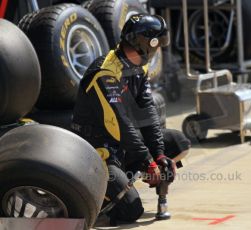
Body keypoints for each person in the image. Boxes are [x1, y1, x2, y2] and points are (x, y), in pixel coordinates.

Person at [71, 13, 190, 225]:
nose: (159, 50)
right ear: (147, 44)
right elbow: (120, 125)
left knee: (178, 142)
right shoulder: (105, 73)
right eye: (158, 45)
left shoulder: (139, 67)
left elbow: (147, 113)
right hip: (96, 153)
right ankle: (107, 192)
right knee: (130, 209)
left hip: (123, 147)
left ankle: (127, 178)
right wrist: (148, 161)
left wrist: (159, 155)